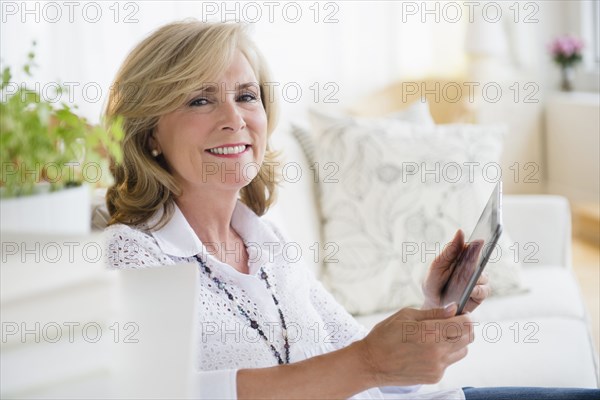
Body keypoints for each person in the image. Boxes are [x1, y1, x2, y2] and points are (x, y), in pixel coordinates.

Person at [104, 20, 599, 400]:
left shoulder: (267, 240)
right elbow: (170, 393)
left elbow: (369, 363)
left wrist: (433, 310)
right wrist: (369, 363)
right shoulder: (133, 254)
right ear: (149, 133)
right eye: (199, 100)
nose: (234, 120)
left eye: (246, 96)